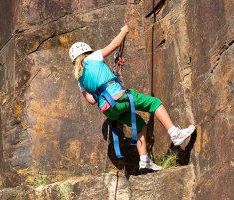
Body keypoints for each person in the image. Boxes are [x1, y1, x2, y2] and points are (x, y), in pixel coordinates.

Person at [68, 24, 195, 172]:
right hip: (119, 98)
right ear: (87, 51)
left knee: (140, 124)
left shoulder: (80, 80)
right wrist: (124, 31)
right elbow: (114, 44)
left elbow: (92, 101)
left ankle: (144, 160)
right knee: (154, 103)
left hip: (109, 110)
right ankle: (175, 133)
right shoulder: (93, 57)